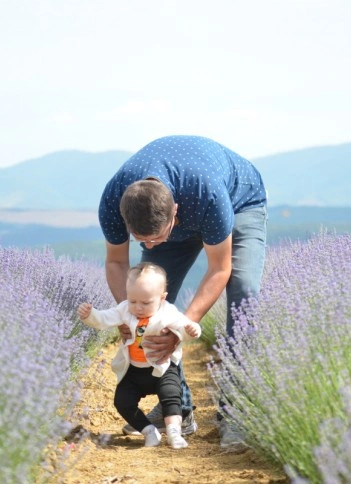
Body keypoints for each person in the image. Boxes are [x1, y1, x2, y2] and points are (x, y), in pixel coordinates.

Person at [98, 135, 267, 447]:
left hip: (240, 201)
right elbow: (116, 261)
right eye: (140, 239)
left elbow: (220, 268)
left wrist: (179, 328)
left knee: (244, 292)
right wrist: (132, 313)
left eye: (156, 237)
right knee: (149, 301)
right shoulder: (113, 200)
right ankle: (178, 407)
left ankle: (238, 413)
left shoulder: (209, 196)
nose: (149, 247)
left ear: (175, 212)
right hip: (181, 208)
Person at [77, 262, 202, 449]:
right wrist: (90, 315)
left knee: (171, 396)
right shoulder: (125, 309)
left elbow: (184, 327)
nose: (138, 307)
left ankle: (174, 432)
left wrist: (192, 330)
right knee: (122, 401)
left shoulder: (167, 311)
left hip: (162, 366)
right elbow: (104, 319)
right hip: (134, 370)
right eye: (133, 300)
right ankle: (148, 431)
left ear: (162, 298)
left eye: (145, 303)